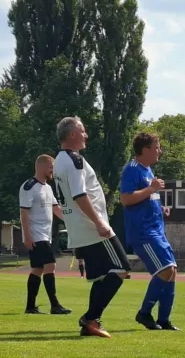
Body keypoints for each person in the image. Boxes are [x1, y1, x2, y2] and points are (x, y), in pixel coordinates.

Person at [53, 116, 131, 338]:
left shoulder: (59, 160)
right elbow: (79, 194)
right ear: (72, 135)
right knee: (120, 269)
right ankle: (90, 318)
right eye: (83, 131)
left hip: (80, 227)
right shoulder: (74, 160)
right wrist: (98, 222)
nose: (86, 135)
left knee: (102, 276)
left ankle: (91, 323)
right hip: (91, 227)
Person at [120, 132, 179, 331]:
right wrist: (151, 190)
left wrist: (160, 209)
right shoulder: (132, 169)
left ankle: (164, 319)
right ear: (145, 150)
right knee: (165, 270)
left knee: (171, 272)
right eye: (157, 147)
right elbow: (126, 199)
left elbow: (145, 199)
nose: (159, 151)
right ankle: (144, 313)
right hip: (143, 233)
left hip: (156, 230)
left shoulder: (148, 171)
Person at [19, 154, 72, 315]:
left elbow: (56, 209)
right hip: (36, 235)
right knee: (51, 264)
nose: (53, 171)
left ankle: (30, 306)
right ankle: (55, 305)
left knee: (37, 269)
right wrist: (27, 236)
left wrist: (73, 220)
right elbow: (24, 212)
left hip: (45, 235)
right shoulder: (28, 187)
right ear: (42, 167)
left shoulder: (48, 188)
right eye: (51, 168)